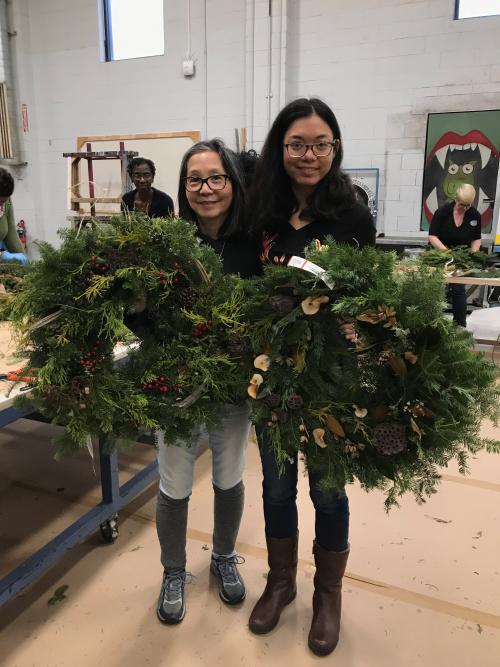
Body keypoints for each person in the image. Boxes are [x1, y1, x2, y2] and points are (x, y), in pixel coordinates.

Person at [247, 97, 376, 657]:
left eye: (321, 144)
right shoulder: (261, 212)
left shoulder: (352, 215)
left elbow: (370, 299)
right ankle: (281, 581)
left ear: (335, 148)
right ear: (281, 148)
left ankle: (328, 594)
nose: (309, 155)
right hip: (271, 376)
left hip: (331, 379)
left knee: (327, 491)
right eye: (298, 144)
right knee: (276, 485)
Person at [155, 139, 261, 625]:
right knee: (174, 480)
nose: (205, 189)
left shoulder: (254, 242)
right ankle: (173, 570)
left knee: (230, 474)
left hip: (234, 385)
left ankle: (222, 557)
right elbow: (146, 312)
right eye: (194, 180)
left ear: (232, 183)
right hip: (175, 384)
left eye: (216, 177)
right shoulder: (166, 244)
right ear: (183, 187)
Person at [428, 184, 481, 327]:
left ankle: (459, 326)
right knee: (436, 290)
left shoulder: (474, 215)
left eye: (468, 205)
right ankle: (432, 323)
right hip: (441, 256)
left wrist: (473, 254)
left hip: (461, 259)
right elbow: (432, 236)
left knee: (458, 290)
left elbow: (476, 238)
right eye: (461, 204)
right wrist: (447, 253)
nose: (464, 208)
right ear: (455, 199)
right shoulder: (442, 212)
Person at [0, 167, 29, 264]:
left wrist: (28, 270)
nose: (2, 205)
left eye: (4, 201)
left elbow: (11, 234)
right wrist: (2, 255)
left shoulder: (5, 203)